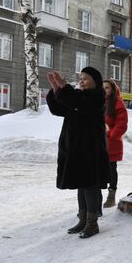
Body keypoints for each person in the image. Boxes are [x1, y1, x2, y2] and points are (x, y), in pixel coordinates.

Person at [46, 67, 110, 238]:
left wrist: (64, 88)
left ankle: (92, 223)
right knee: (81, 185)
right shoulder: (77, 97)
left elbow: (78, 103)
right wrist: (56, 90)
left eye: (86, 78)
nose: (81, 80)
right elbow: (58, 109)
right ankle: (82, 220)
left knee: (90, 186)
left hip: (91, 150)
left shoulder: (97, 97)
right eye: (80, 78)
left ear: (95, 82)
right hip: (76, 150)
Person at [102, 79, 128, 208]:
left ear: (112, 89)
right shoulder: (97, 102)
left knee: (111, 169)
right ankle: (96, 197)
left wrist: (110, 134)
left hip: (111, 142)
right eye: (102, 87)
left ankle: (111, 196)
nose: (104, 90)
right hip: (97, 142)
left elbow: (122, 124)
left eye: (107, 87)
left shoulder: (117, 103)